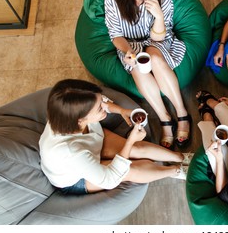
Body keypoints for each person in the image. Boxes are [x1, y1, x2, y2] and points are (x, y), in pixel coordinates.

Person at [39, 79, 192, 195]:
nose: (104, 106)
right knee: (130, 169)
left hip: (88, 142)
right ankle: (176, 171)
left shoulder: (69, 115)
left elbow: (103, 100)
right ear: (80, 119)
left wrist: (121, 110)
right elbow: (110, 179)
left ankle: (180, 157)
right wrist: (131, 141)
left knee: (137, 149)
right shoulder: (70, 152)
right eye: (100, 108)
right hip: (75, 177)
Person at [104, 0, 191, 149]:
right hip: (130, 43)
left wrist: (159, 16)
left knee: (155, 58)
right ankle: (165, 118)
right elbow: (115, 34)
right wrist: (128, 51)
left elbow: (158, 36)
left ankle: (182, 112)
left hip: (158, 38)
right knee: (137, 66)